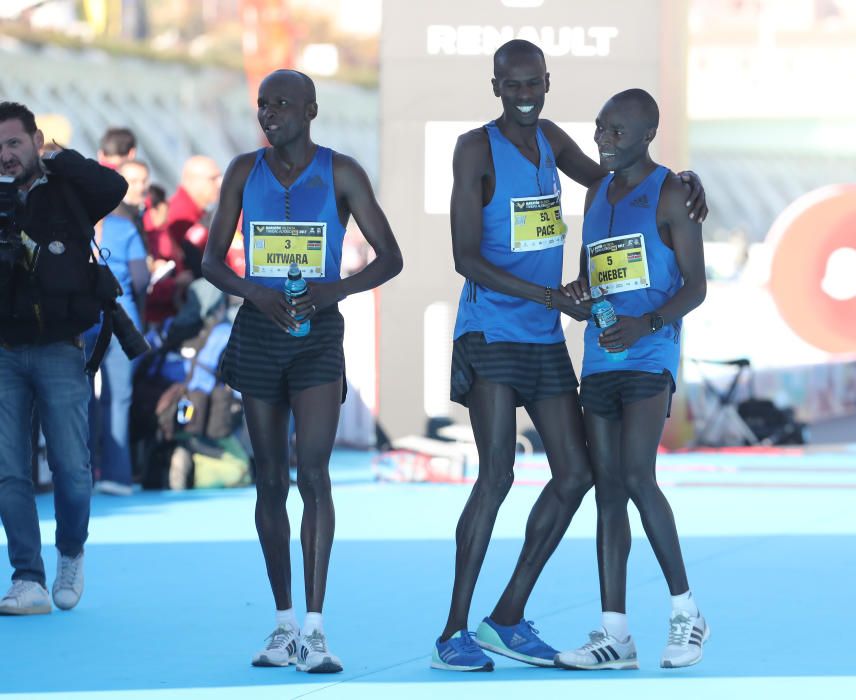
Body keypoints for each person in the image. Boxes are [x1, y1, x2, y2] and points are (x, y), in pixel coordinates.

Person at [432, 40, 707, 672]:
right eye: (513, 85)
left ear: (547, 83)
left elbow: (617, 178)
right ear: (495, 85)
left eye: (535, 85)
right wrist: (551, 295)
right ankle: (453, 632)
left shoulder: (553, 139)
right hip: (492, 333)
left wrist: (685, 182)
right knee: (497, 474)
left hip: (548, 339)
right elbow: (464, 258)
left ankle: (506, 617)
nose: (525, 96)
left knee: (579, 475)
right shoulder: (475, 148)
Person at [202, 69, 402, 673]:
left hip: (318, 335)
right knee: (269, 478)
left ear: (311, 110)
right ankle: (283, 621)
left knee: (312, 472)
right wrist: (252, 294)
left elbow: (391, 258)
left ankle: (316, 628)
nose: (269, 113)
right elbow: (211, 260)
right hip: (259, 332)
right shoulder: (242, 171)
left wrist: (330, 292)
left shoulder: (342, 172)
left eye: (282, 104)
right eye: (263, 104)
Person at [555, 89, 708, 670]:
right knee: (609, 490)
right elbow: (594, 275)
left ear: (647, 134)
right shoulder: (596, 191)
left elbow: (694, 286)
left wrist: (647, 323)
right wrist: (578, 296)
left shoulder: (672, 192)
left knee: (640, 476)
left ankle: (687, 613)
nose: (602, 139)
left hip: (650, 356)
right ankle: (614, 633)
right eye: (599, 129)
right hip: (600, 358)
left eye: (617, 132)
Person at [0, 102, 128, 614]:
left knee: (73, 470)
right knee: (10, 473)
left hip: (60, 349)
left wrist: (56, 155)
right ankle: (26, 578)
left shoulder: (70, 191)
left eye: (14, 143)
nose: (5, 156)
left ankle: (70, 552)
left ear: (35, 140)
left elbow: (114, 188)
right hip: (5, 351)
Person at [85, 209, 149, 496]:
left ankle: (81, 473)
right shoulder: (125, 229)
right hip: (122, 318)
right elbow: (141, 280)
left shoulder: (62, 223)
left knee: (79, 398)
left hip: (80, 320)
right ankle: (117, 476)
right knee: (118, 400)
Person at [168, 155, 222, 278]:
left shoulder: (198, 211)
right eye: (213, 178)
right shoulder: (180, 215)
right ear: (191, 180)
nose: (219, 184)